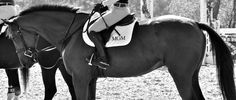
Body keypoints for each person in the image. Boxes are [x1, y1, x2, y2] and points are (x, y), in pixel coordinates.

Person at [88, 0, 130, 69]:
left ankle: (103, 59)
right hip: (117, 8)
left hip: (118, 11)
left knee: (92, 30)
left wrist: (103, 3)